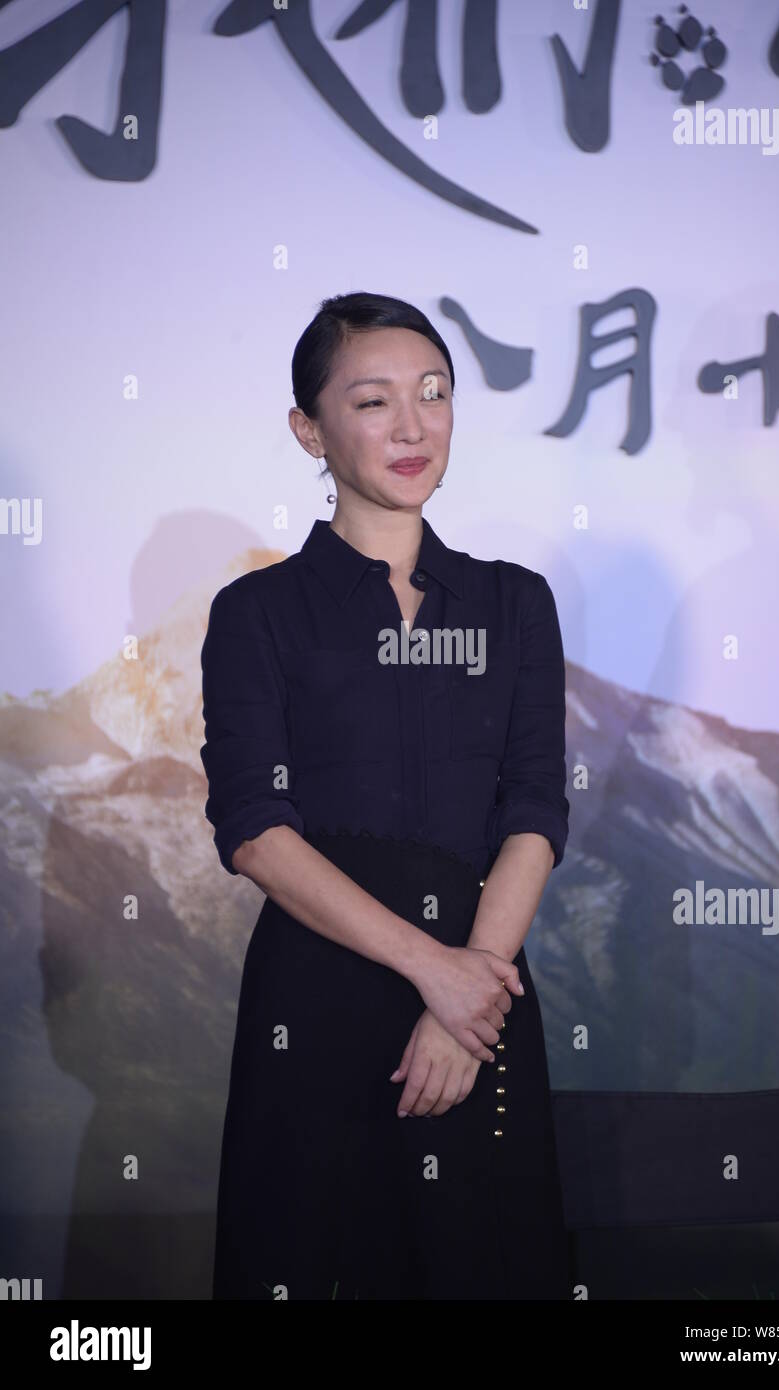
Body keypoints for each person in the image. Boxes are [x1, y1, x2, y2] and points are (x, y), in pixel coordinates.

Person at [200, 291, 571, 1301]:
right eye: (373, 401)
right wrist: (434, 974)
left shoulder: (512, 602)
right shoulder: (258, 612)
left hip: (480, 1012)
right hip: (318, 1006)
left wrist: (468, 996)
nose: (412, 426)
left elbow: (535, 808)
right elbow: (254, 830)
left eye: (433, 394)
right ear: (307, 429)